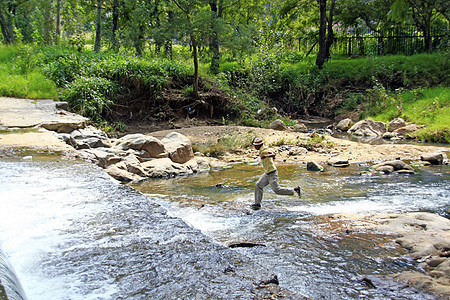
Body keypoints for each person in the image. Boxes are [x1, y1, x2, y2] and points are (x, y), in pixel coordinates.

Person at [250, 137, 301, 210]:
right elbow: (273, 154)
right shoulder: (263, 149)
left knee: (277, 190)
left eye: (255, 145)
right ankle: (257, 204)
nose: (254, 147)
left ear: (259, 145)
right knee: (258, 185)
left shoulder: (265, 150)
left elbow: (274, 155)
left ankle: (295, 189)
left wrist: (266, 156)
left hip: (272, 173)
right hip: (267, 173)